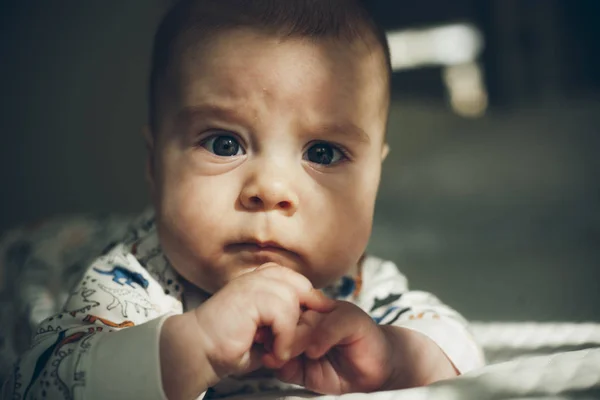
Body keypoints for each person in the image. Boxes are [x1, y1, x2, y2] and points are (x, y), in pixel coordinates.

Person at [2, 1, 484, 399]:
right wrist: (195, 346)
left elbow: (462, 350)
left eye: (323, 152)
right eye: (223, 144)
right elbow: (38, 380)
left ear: (376, 176)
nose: (270, 190)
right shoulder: (132, 279)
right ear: (155, 166)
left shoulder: (356, 289)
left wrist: (395, 358)